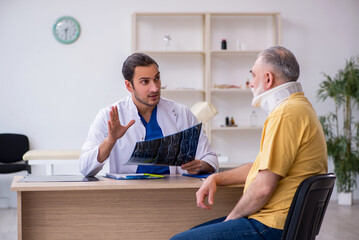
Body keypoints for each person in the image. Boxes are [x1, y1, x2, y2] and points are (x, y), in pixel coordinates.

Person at [170, 46, 328, 240]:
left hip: (272, 225)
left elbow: (263, 188)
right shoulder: (300, 107)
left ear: (268, 79)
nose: (251, 84)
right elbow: (262, 168)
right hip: (283, 222)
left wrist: (231, 221)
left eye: (253, 76)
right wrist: (216, 178)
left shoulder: (285, 114)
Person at [79, 53, 218, 177]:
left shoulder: (181, 113)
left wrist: (202, 165)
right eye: (145, 82)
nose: (155, 88)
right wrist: (110, 140)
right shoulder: (109, 116)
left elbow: (210, 158)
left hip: (174, 192)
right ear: (129, 86)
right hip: (127, 195)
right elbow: (85, 168)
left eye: (157, 78)